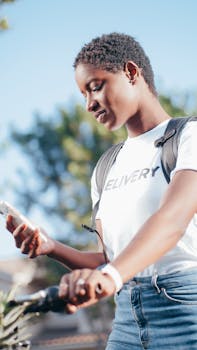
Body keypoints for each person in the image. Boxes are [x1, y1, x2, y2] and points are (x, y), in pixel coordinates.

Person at [6, 33, 197, 349]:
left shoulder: (188, 136)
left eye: (95, 86)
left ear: (131, 73)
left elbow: (173, 219)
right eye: (83, 94)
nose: (89, 104)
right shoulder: (106, 167)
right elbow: (110, 261)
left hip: (186, 312)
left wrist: (110, 276)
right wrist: (51, 247)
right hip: (126, 322)